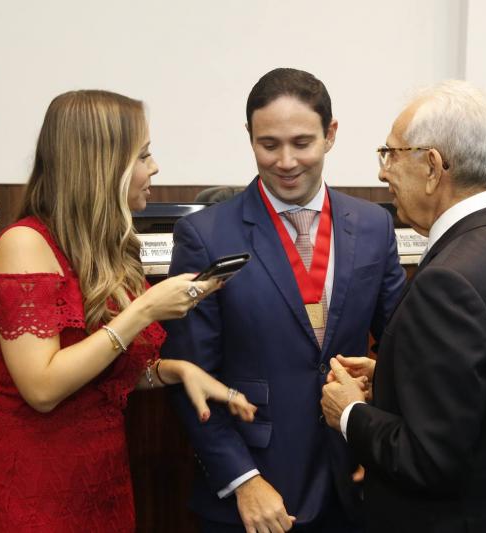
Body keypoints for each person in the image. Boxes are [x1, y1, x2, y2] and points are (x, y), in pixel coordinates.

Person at [0, 90, 257, 532]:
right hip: (33, 490)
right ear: (102, 164)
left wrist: (174, 371)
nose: (155, 167)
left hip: (102, 484)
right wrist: (144, 310)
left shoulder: (108, 249)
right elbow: (42, 388)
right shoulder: (24, 243)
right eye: (144, 155)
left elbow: (98, 375)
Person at [162, 68, 406, 533]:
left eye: (302, 143)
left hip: (352, 481)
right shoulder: (206, 235)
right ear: (249, 136)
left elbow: (403, 348)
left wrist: (380, 439)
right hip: (256, 493)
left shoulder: (374, 225)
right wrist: (242, 479)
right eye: (269, 145)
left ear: (330, 134)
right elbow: (189, 374)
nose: (286, 161)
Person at [321, 80, 486, 533]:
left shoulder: (449, 281)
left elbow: (429, 459)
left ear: (433, 167)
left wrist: (350, 414)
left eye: (391, 154)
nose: (383, 173)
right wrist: (392, 376)